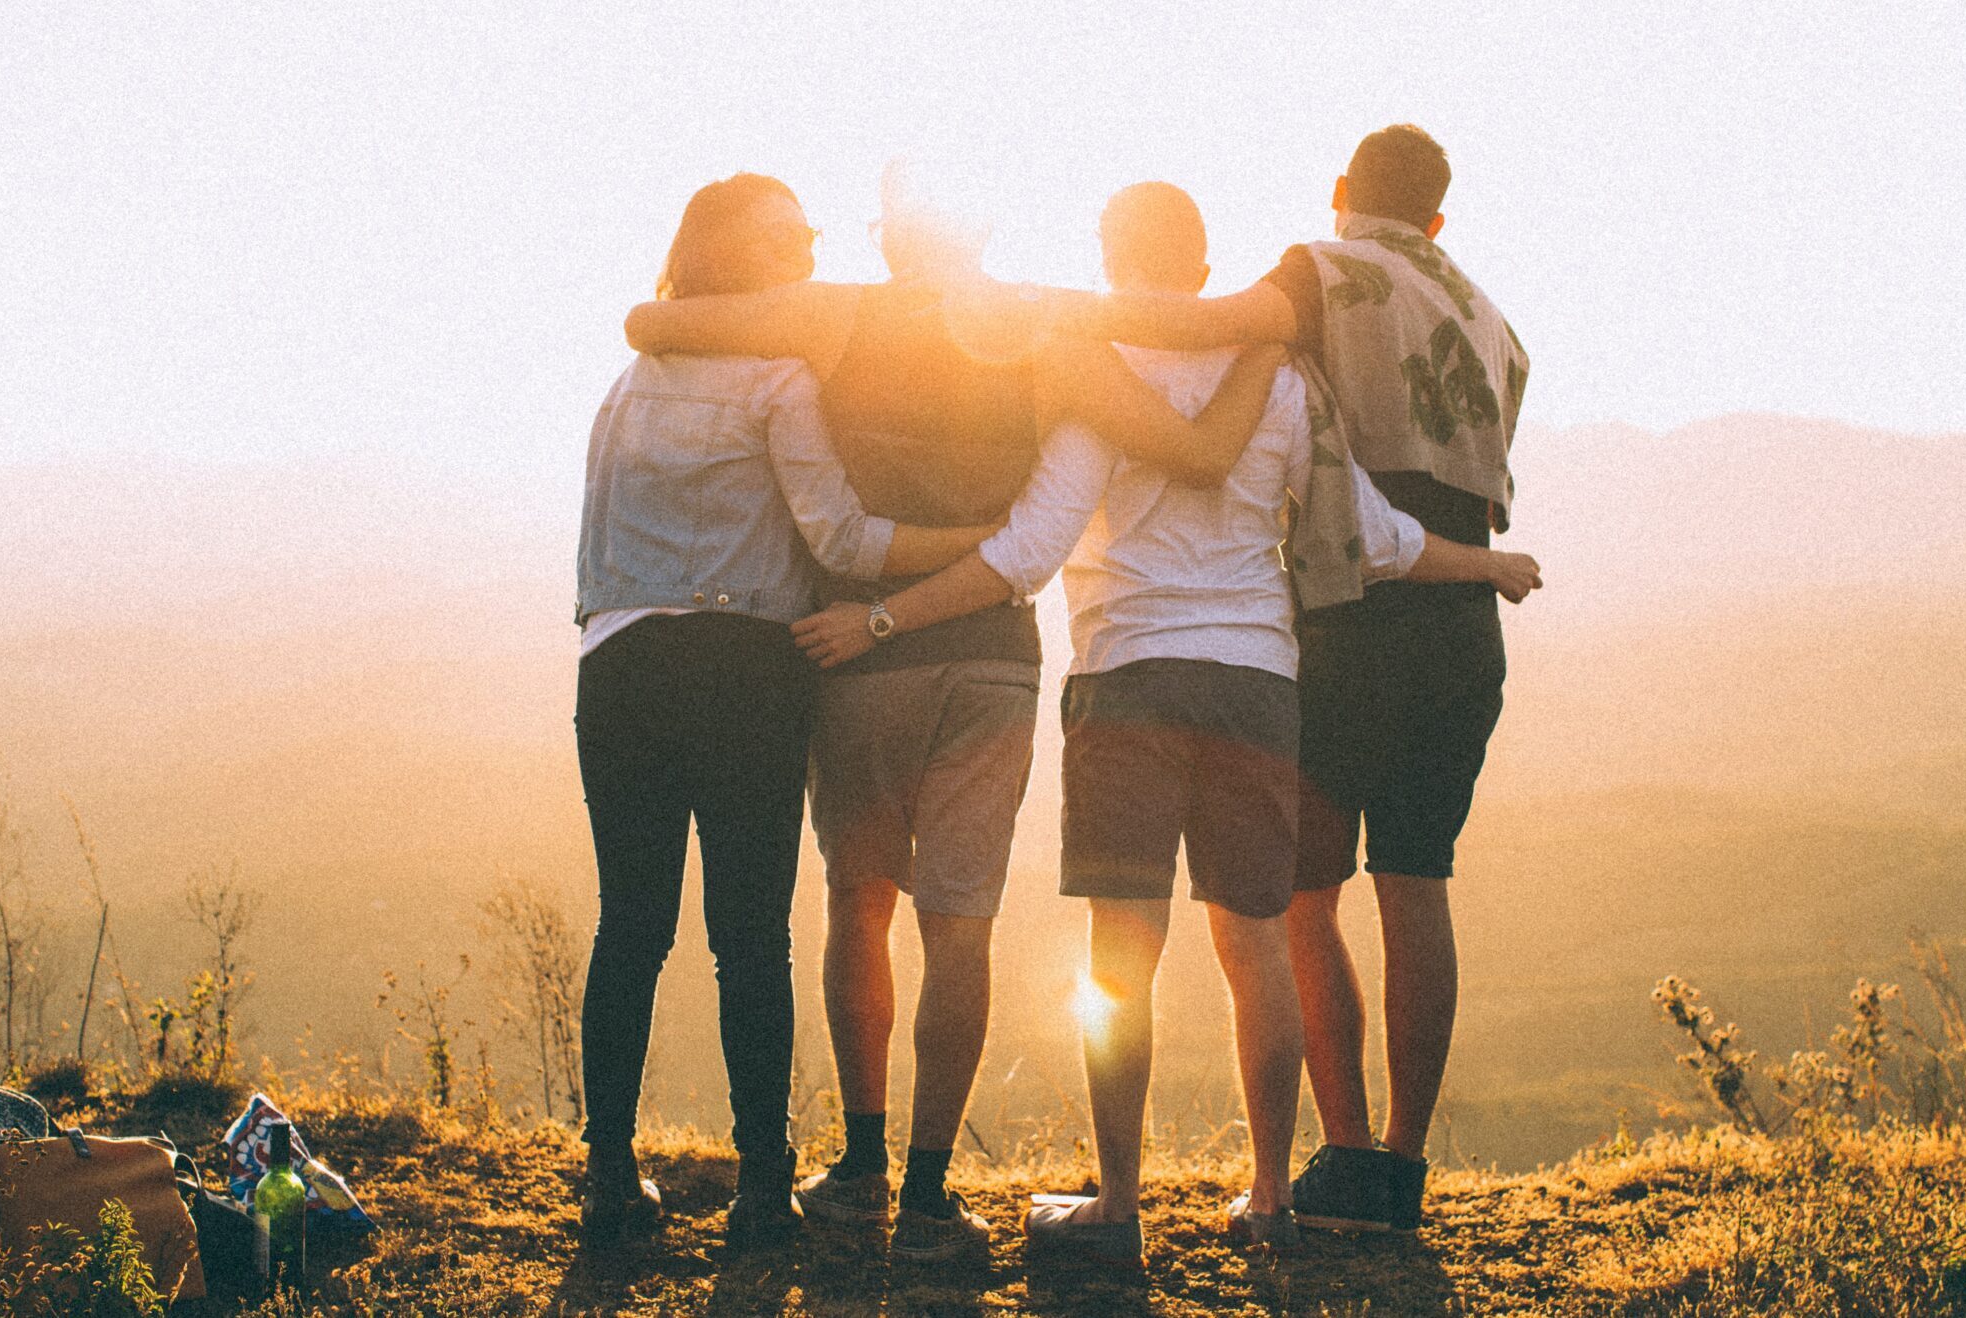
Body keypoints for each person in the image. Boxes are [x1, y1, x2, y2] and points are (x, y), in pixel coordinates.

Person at [791, 182, 1541, 1263]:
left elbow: (1028, 551)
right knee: (1256, 949)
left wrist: (883, 616)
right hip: (1256, 685)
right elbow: (1373, 536)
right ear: (1202, 270)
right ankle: (1272, 1195)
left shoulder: (1095, 374)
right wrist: (1488, 564)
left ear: (1107, 259)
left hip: (1126, 679)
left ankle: (1119, 1203)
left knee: (1120, 958)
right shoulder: (1281, 379)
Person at [622, 166, 1282, 1261]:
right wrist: (1265, 337)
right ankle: (930, 1193)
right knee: (959, 922)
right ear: (981, 226)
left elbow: (659, 320)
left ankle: (861, 1163)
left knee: (859, 899)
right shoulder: (1043, 328)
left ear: (889, 238)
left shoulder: (835, 314)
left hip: (857, 650)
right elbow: (1184, 445)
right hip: (991, 658)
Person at [1059, 125, 1533, 1232]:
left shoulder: (1320, 271)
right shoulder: (1494, 320)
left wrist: (1039, 316)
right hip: (1458, 619)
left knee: (1298, 902)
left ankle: (1342, 1157)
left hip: (1348, 613)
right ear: (1439, 217)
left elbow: (1208, 325)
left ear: (1339, 193)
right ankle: (1398, 1172)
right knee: (1417, 883)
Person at [571, 172, 999, 1252]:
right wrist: (978, 546)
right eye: (789, 237)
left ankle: (610, 1177)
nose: (809, 250)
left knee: (630, 927)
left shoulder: (627, 385)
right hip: (745, 672)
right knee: (748, 938)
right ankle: (764, 1185)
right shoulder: (777, 379)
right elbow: (844, 543)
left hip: (618, 665)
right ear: (739, 258)